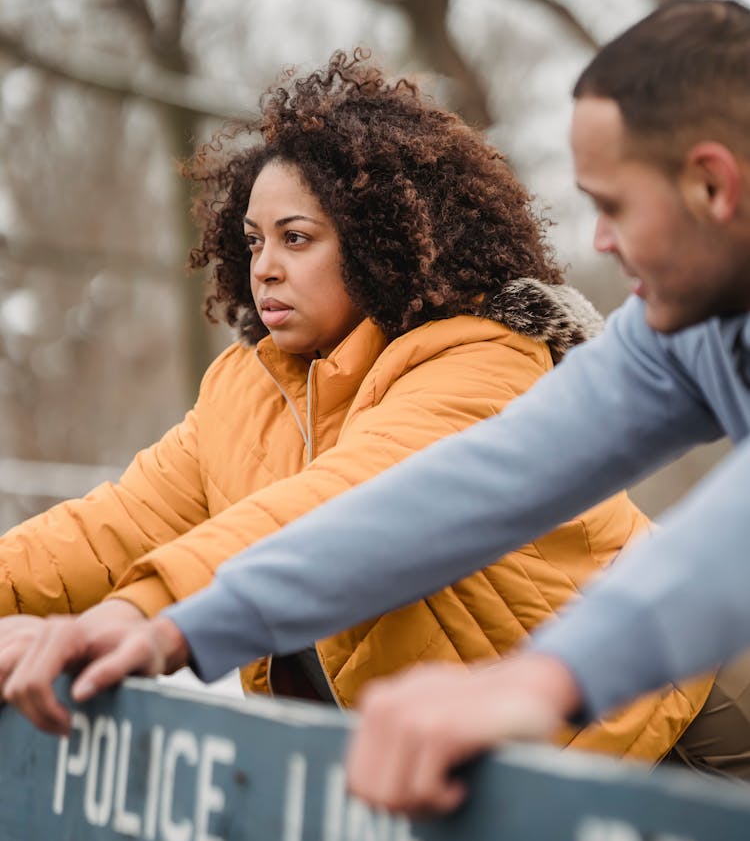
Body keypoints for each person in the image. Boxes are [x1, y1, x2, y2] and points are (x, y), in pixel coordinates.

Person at [0, 48, 712, 762]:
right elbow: (108, 531)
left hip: (671, 720)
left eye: (297, 238)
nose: (265, 267)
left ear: (381, 243)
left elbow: (345, 503)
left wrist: (146, 614)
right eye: (253, 241)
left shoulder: (481, 358)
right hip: (484, 768)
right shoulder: (247, 391)